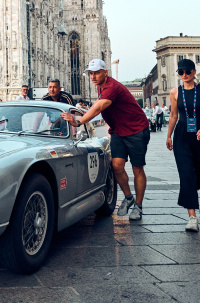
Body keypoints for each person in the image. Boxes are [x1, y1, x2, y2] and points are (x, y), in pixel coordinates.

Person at [61, 59, 150, 221]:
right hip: (118, 131)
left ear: (105, 72)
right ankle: (129, 198)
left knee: (137, 169)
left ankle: (138, 205)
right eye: (91, 73)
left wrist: (79, 121)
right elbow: (96, 106)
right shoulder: (100, 85)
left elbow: (98, 108)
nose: (93, 76)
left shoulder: (112, 87)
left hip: (136, 130)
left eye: (96, 73)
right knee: (117, 166)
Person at [165, 59, 200, 232]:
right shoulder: (174, 92)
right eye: (181, 72)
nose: (184, 75)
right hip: (182, 136)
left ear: (194, 72)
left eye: (187, 72)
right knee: (186, 174)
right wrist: (169, 135)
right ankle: (192, 217)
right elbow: (173, 116)